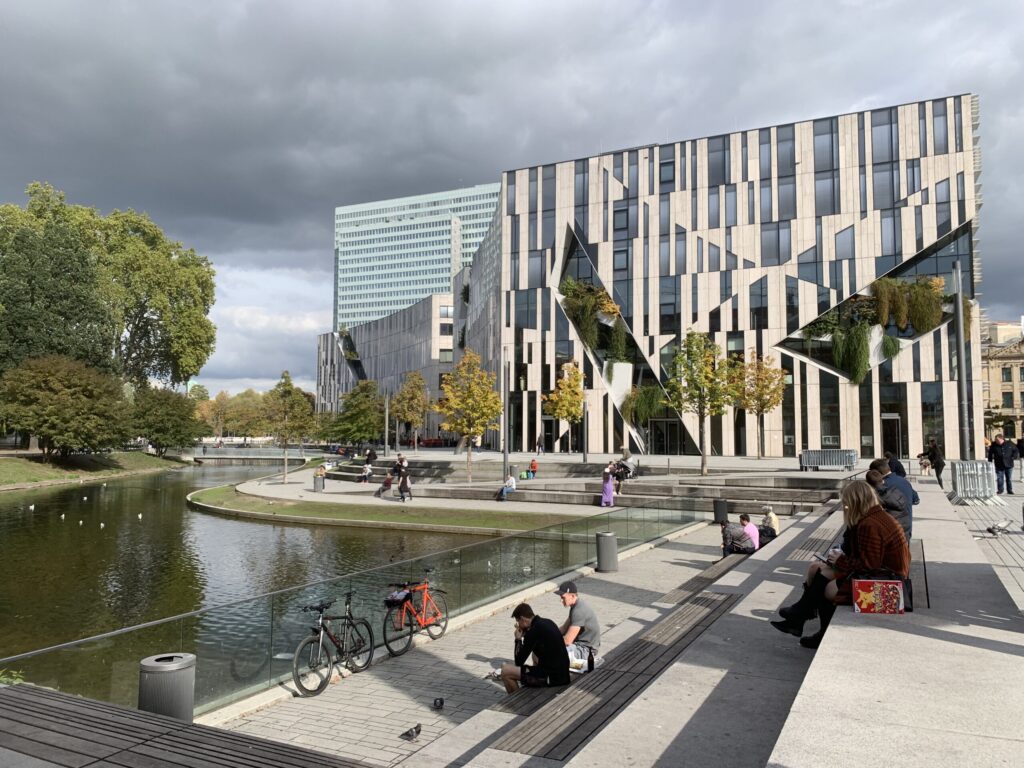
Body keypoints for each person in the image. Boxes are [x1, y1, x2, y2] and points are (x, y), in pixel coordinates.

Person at [771, 479, 910, 649]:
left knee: (828, 589)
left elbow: (869, 566)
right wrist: (841, 555)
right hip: (886, 576)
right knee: (817, 569)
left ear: (855, 502)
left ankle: (809, 623)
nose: (844, 507)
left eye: (846, 503)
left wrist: (840, 560)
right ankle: (800, 618)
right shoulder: (874, 516)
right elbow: (866, 559)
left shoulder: (869, 524)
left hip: (888, 588)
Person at [498, 603, 570, 693]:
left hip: (552, 678)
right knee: (534, 656)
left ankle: (518, 700)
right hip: (563, 674)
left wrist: (518, 640)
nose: (518, 625)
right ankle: (533, 685)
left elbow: (518, 662)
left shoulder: (533, 631)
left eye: (518, 622)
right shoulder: (547, 622)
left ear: (523, 619)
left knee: (505, 671)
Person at [555, 581, 601, 672]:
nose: (561, 600)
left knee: (552, 653)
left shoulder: (578, 611)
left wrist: (549, 642)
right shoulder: (576, 606)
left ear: (572, 596)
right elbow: (563, 628)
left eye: (563, 597)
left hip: (586, 650)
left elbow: (567, 641)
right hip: (580, 645)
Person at [865, 468, 911, 541]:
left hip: (891, 536)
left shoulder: (877, 498)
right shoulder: (895, 491)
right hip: (904, 533)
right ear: (882, 479)